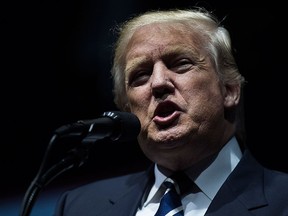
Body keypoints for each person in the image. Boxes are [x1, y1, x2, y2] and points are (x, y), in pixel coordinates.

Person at [53, 7, 288, 216]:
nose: (158, 83)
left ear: (229, 90)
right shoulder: (78, 207)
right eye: (140, 75)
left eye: (180, 63)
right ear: (127, 110)